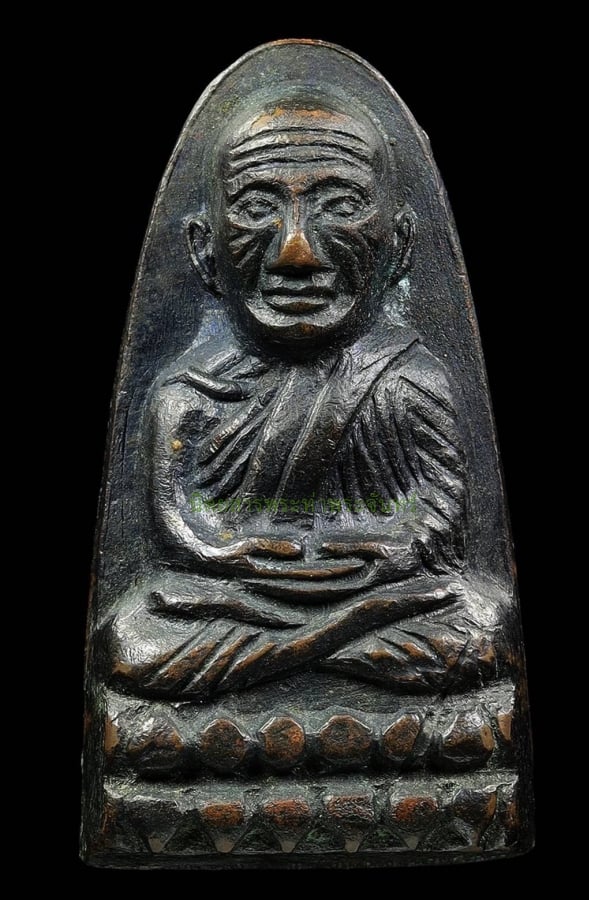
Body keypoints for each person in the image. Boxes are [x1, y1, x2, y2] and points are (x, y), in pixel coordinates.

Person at [101, 102, 507, 700]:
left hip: (379, 593)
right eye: (256, 208)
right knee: (133, 638)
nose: (296, 253)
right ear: (204, 249)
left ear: (398, 246)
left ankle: (291, 656)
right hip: (239, 596)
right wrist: (234, 553)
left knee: (481, 626)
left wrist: (388, 553)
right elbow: (178, 531)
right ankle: (323, 650)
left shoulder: (407, 379)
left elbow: (441, 523)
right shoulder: (188, 396)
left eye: (340, 207)